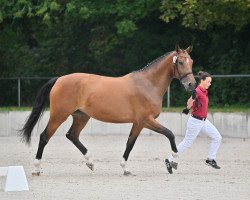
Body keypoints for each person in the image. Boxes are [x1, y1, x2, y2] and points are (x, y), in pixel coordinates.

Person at [165, 71, 222, 174]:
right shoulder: (198, 91)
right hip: (195, 121)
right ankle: (169, 160)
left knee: (217, 137)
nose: (210, 84)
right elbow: (190, 100)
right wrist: (187, 108)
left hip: (204, 121)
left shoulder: (204, 91)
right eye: (208, 82)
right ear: (202, 81)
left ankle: (210, 159)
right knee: (187, 143)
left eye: (210, 82)